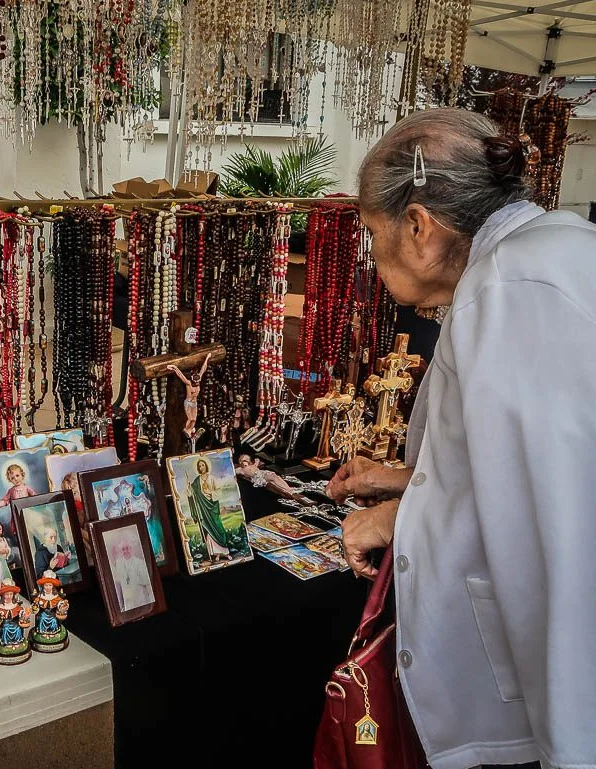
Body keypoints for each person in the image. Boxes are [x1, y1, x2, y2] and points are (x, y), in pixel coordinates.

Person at [325, 108, 596, 769]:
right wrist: (408, 483)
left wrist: (401, 516)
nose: (372, 253)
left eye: (373, 232)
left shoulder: (509, 289)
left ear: (418, 226)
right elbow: (523, 461)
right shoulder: (551, 252)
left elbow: (552, 522)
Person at [186, 458, 232, 563]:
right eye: (199, 466)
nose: (201, 467)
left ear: (206, 466)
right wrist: (189, 487)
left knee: (219, 528)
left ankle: (225, 552)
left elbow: (219, 492)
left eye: (203, 465)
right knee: (209, 530)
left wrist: (211, 493)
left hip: (213, 507)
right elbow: (192, 494)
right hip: (203, 509)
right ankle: (216, 554)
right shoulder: (197, 481)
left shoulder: (212, 478)